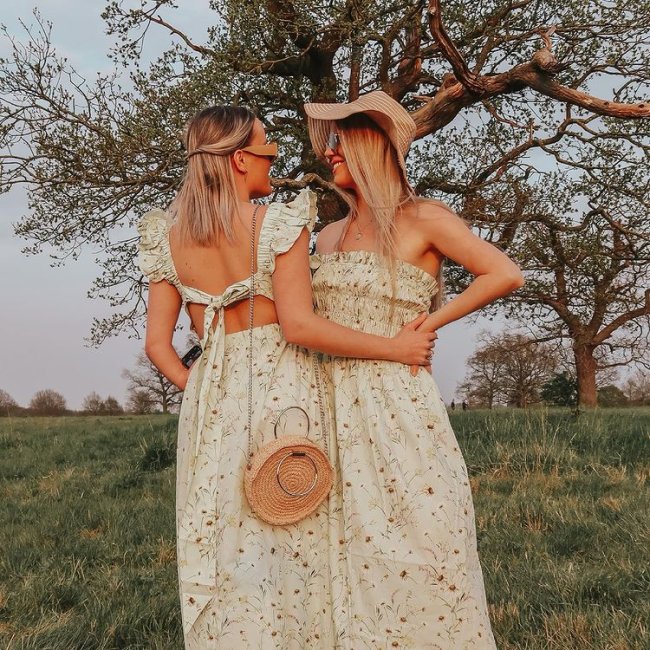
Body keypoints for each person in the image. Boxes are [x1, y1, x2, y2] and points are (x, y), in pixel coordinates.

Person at [137, 105, 436, 648]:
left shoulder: (167, 237)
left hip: (212, 398)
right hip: (287, 387)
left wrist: (203, 392)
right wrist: (393, 347)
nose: (275, 161)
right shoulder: (276, 222)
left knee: (225, 535)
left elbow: (158, 346)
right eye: (269, 151)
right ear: (239, 159)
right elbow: (300, 326)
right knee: (298, 532)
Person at [305, 90, 525, 648]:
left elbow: (503, 273)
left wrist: (429, 325)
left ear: (373, 148)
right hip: (329, 400)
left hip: (398, 400)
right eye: (329, 141)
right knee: (340, 539)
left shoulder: (424, 217)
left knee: (421, 534)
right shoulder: (326, 236)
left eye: (342, 140)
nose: (330, 151)